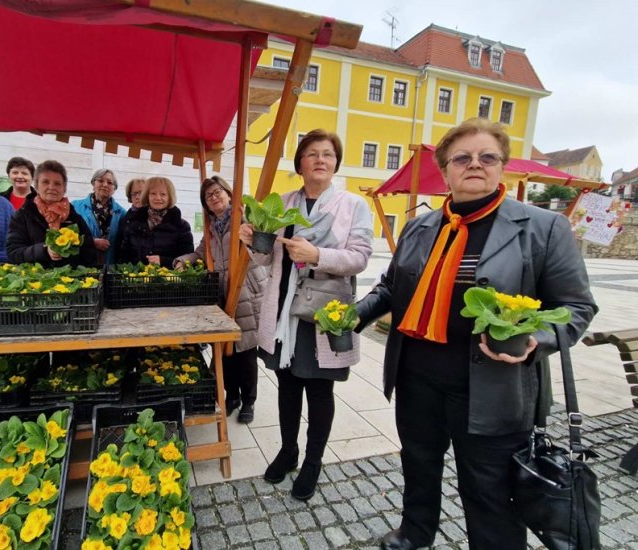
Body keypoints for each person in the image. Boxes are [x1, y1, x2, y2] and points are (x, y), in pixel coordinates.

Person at [353, 118, 598, 550]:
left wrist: (533, 340)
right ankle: (415, 532)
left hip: (492, 387)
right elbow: (393, 287)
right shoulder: (420, 226)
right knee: (419, 465)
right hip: (417, 377)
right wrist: (355, 314)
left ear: (502, 166)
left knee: (488, 490)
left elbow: (576, 308)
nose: (475, 165)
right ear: (445, 170)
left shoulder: (541, 227)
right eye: (462, 158)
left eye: (488, 157)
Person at [238, 129, 373, 501]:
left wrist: (318, 256)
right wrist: (253, 242)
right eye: (312, 153)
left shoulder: (352, 206)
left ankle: (312, 461)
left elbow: (360, 257)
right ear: (300, 163)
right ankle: (288, 450)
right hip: (283, 310)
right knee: (286, 386)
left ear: (335, 164)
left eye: (327, 154)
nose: (320, 159)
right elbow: (269, 259)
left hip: (321, 313)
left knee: (319, 389)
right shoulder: (283, 202)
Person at [174, 176, 268, 424]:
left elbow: (262, 248)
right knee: (226, 351)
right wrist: (185, 260)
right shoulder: (211, 227)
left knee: (246, 350)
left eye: (217, 192)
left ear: (229, 194)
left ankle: (249, 401)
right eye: (208, 196)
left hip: (247, 291)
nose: (214, 197)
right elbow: (201, 252)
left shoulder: (245, 218)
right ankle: (233, 396)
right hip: (222, 294)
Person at [5, 160, 97, 268]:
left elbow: (89, 254)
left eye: (57, 183)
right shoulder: (22, 216)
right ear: (36, 186)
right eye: (45, 182)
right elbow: (13, 253)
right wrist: (44, 250)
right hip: (34, 281)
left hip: (70, 281)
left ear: (64, 189)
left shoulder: (75, 219)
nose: (52, 187)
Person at [118, 176, 193, 266]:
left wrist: (164, 261)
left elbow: (188, 259)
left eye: (163, 194)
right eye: (153, 193)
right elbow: (123, 256)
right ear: (147, 196)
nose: (158, 198)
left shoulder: (181, 226)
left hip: (169, 278)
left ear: (170, 197)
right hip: (137, 278)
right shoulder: (134, 222)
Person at [72, 169, 127, 265]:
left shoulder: (121, 213)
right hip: (82, 265)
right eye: (100, 181)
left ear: (114, 189)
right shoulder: (75, 207)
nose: (105, 185)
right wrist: (91, 242)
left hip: (110, 266)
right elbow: (67, 236)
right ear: (93, 184)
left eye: (110, 183)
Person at [114, 177, 146, 263]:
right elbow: (119, 246)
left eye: (141, 193)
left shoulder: (154, 217)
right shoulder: (125, 217)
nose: (137, 197)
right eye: (134, 194)